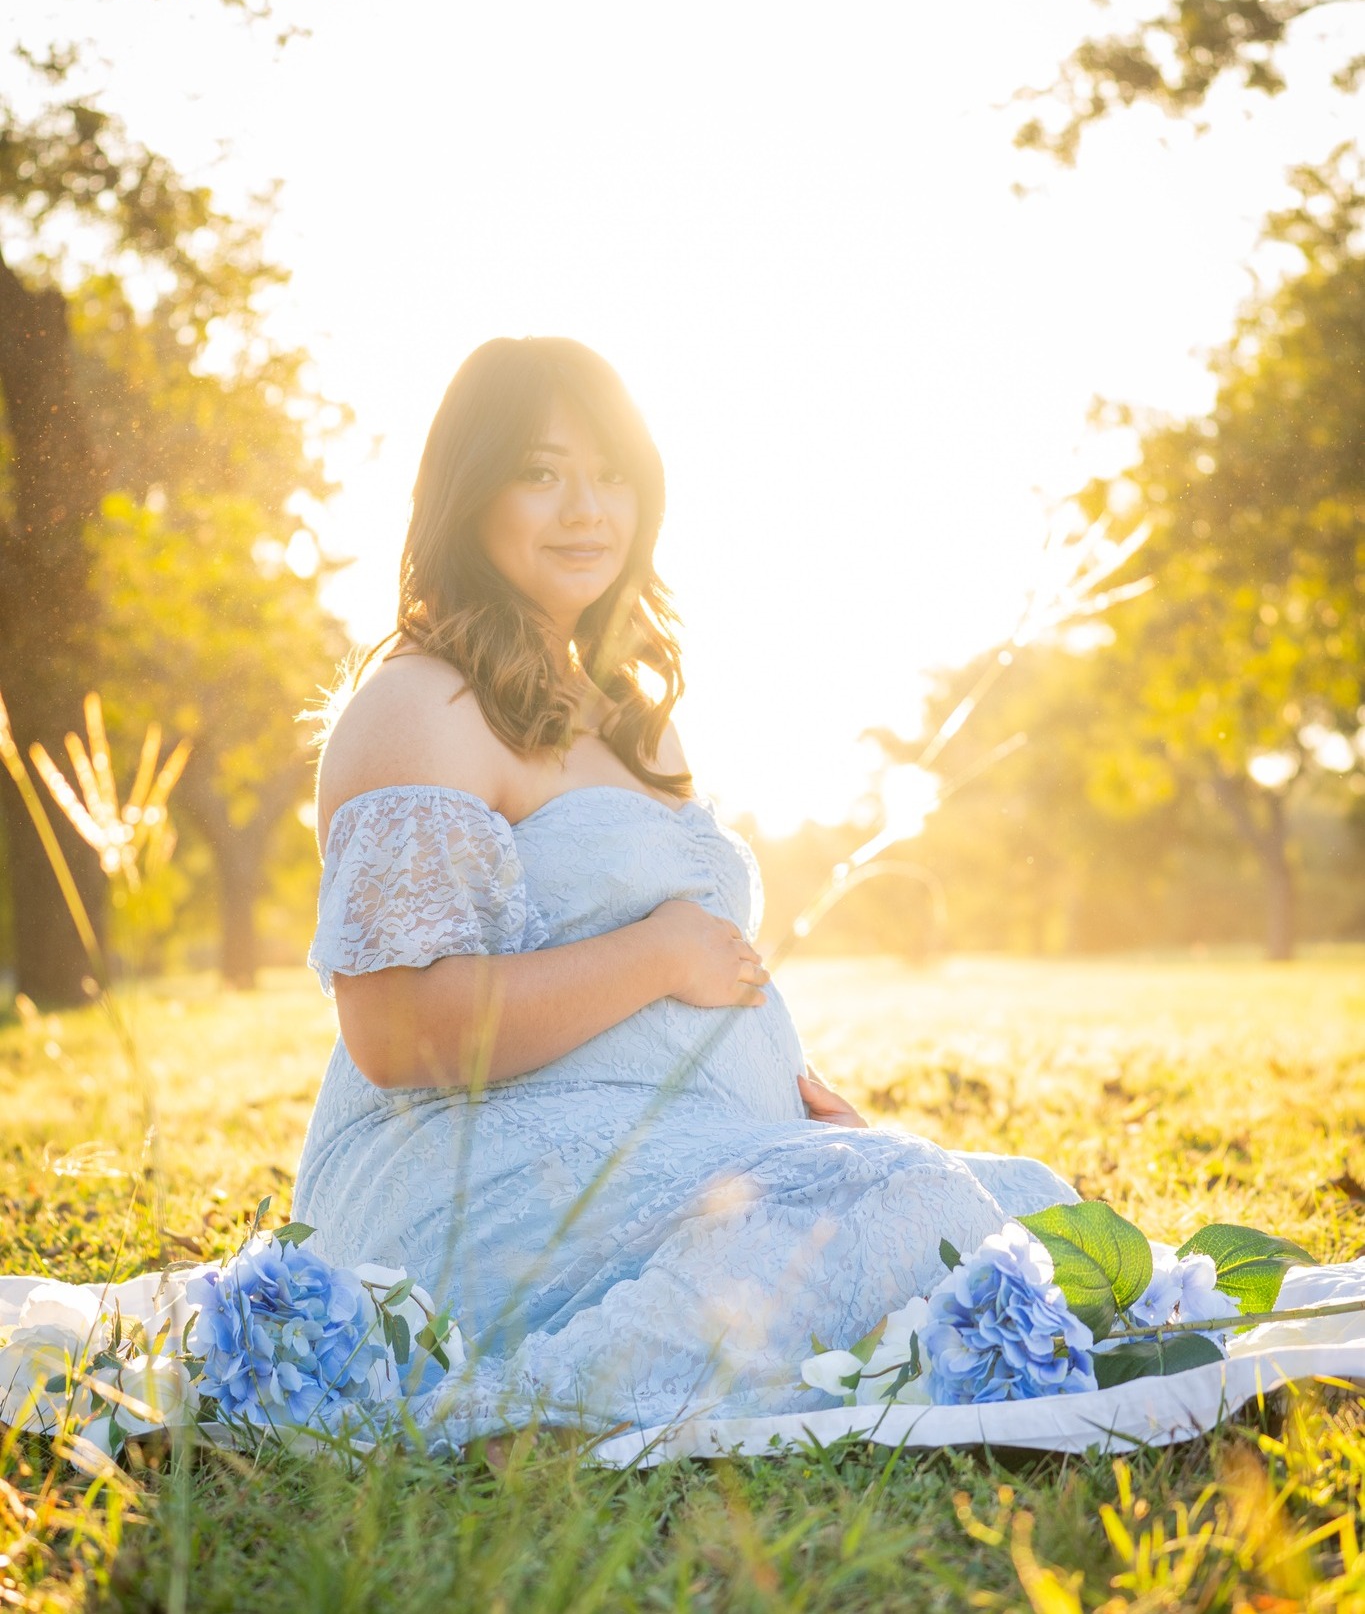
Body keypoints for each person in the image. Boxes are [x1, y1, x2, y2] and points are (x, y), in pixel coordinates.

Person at [294, 337, 1077, 1444]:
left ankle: (794, 1247)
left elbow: (695, 960)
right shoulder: (418, 707)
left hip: (658, 1151)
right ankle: (509, 1413)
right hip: (469, 1184)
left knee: (1036, 1204)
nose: (586, 508)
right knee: (924, 1208)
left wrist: (793, 1099)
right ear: (468, 489)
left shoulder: (627, 714)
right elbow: (401, 1030)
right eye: (541, 469)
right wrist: (656, 957)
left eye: (612, 474)